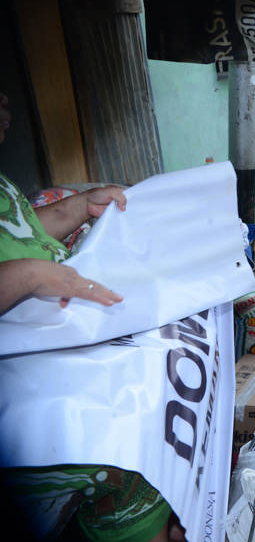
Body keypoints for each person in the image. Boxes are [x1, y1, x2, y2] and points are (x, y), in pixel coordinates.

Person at [0, 91, 183, 541]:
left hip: (49, 365)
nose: (6, 102)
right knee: (128, 450)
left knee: (168, 383)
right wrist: (28, 276)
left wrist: (81, 206)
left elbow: (22, 230)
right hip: (18, 404)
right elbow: (24, 264)